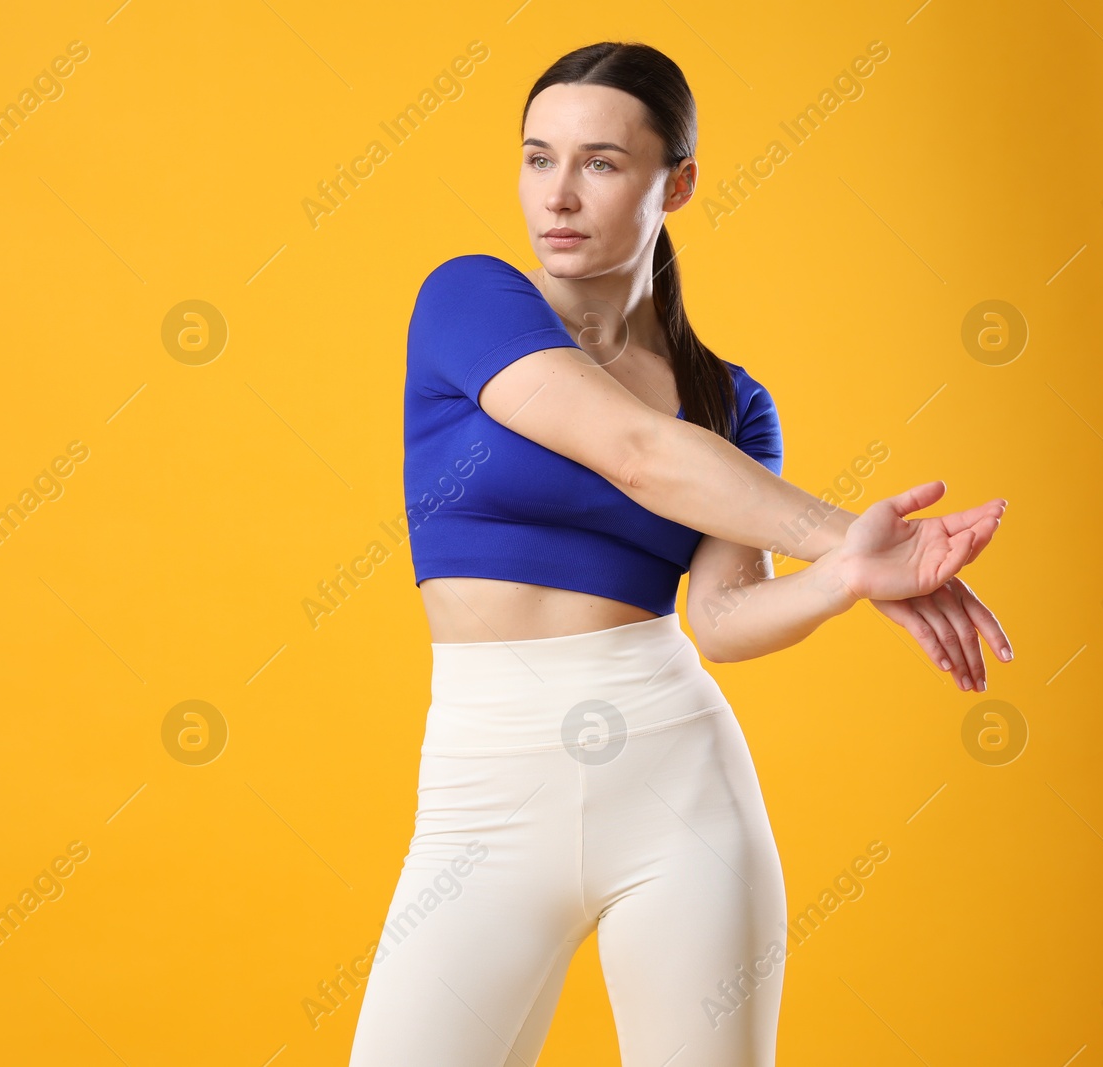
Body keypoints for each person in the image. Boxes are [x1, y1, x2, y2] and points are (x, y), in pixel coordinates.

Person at [346, 40, 1012, 1067]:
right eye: (538, 158)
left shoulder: (729, 402)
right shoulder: (469, 300)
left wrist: (842, 580)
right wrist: (850, 534)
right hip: (482, 796)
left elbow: (720, 618)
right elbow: (637, 452)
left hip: (676, 784)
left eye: (600, 163)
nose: (558, 195)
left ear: (678, 182)